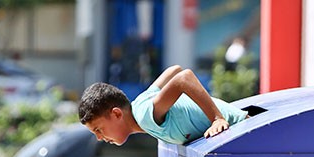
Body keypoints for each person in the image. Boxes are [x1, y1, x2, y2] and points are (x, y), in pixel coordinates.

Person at [78, 65, 248, 146]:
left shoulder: (145, 115)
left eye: (98, 129)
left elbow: (184, 77)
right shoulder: (140, 103)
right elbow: (175, 70)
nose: (99, 138)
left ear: (116, 114)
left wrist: (217, 119)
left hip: (243, 130)